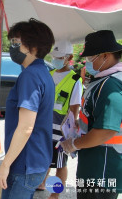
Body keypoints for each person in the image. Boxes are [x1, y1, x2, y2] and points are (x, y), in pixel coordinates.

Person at [0, 18, 55, 199]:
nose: (12, 47)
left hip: (24, 164)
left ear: (34, 47)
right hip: (37, 159)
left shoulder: (30, 75)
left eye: (16, 43)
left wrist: (5, 165)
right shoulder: (43, 72)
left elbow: (26, 127)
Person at [61, 30, 122, 199]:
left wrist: (74, 143)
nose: (88, 62)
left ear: (105, 56)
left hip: (102, 171)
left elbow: (106, 131)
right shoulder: (104, 80)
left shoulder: (111, 86)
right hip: (96, 165)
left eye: (90, 58)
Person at [37, 40, 83, 199]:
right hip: (44, 126)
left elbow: (74, 107)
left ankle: (55, 194)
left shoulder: (75, 79)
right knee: (44, 159)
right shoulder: (49, 74)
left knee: (60, 164)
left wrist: (70, 131)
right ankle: (42, 183)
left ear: (69, 57)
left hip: (61, 128)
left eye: (59, 57)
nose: (55, 59)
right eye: (53, 56)